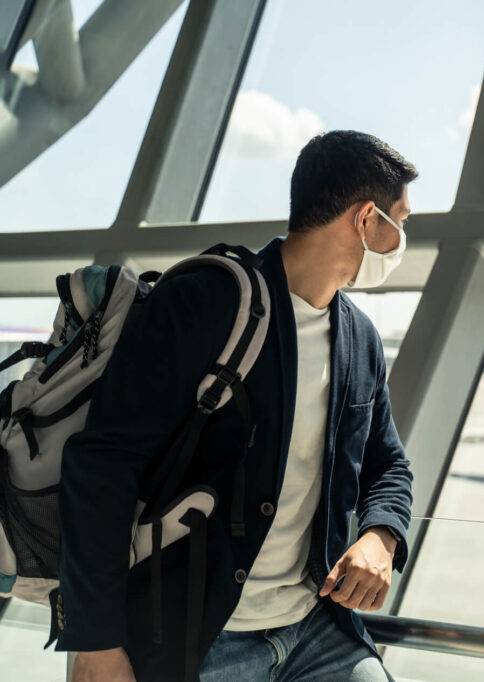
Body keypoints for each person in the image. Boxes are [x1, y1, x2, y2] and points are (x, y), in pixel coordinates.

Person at [56, 131, 417, 682]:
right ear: (367, 219)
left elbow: (387, 463)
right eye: (401, 222)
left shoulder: (359, 338)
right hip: (196, 638)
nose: (402, 239)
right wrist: (95, 641)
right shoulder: (208, 301)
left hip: (318, 630)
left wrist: (381, 535)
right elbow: (102, 464)